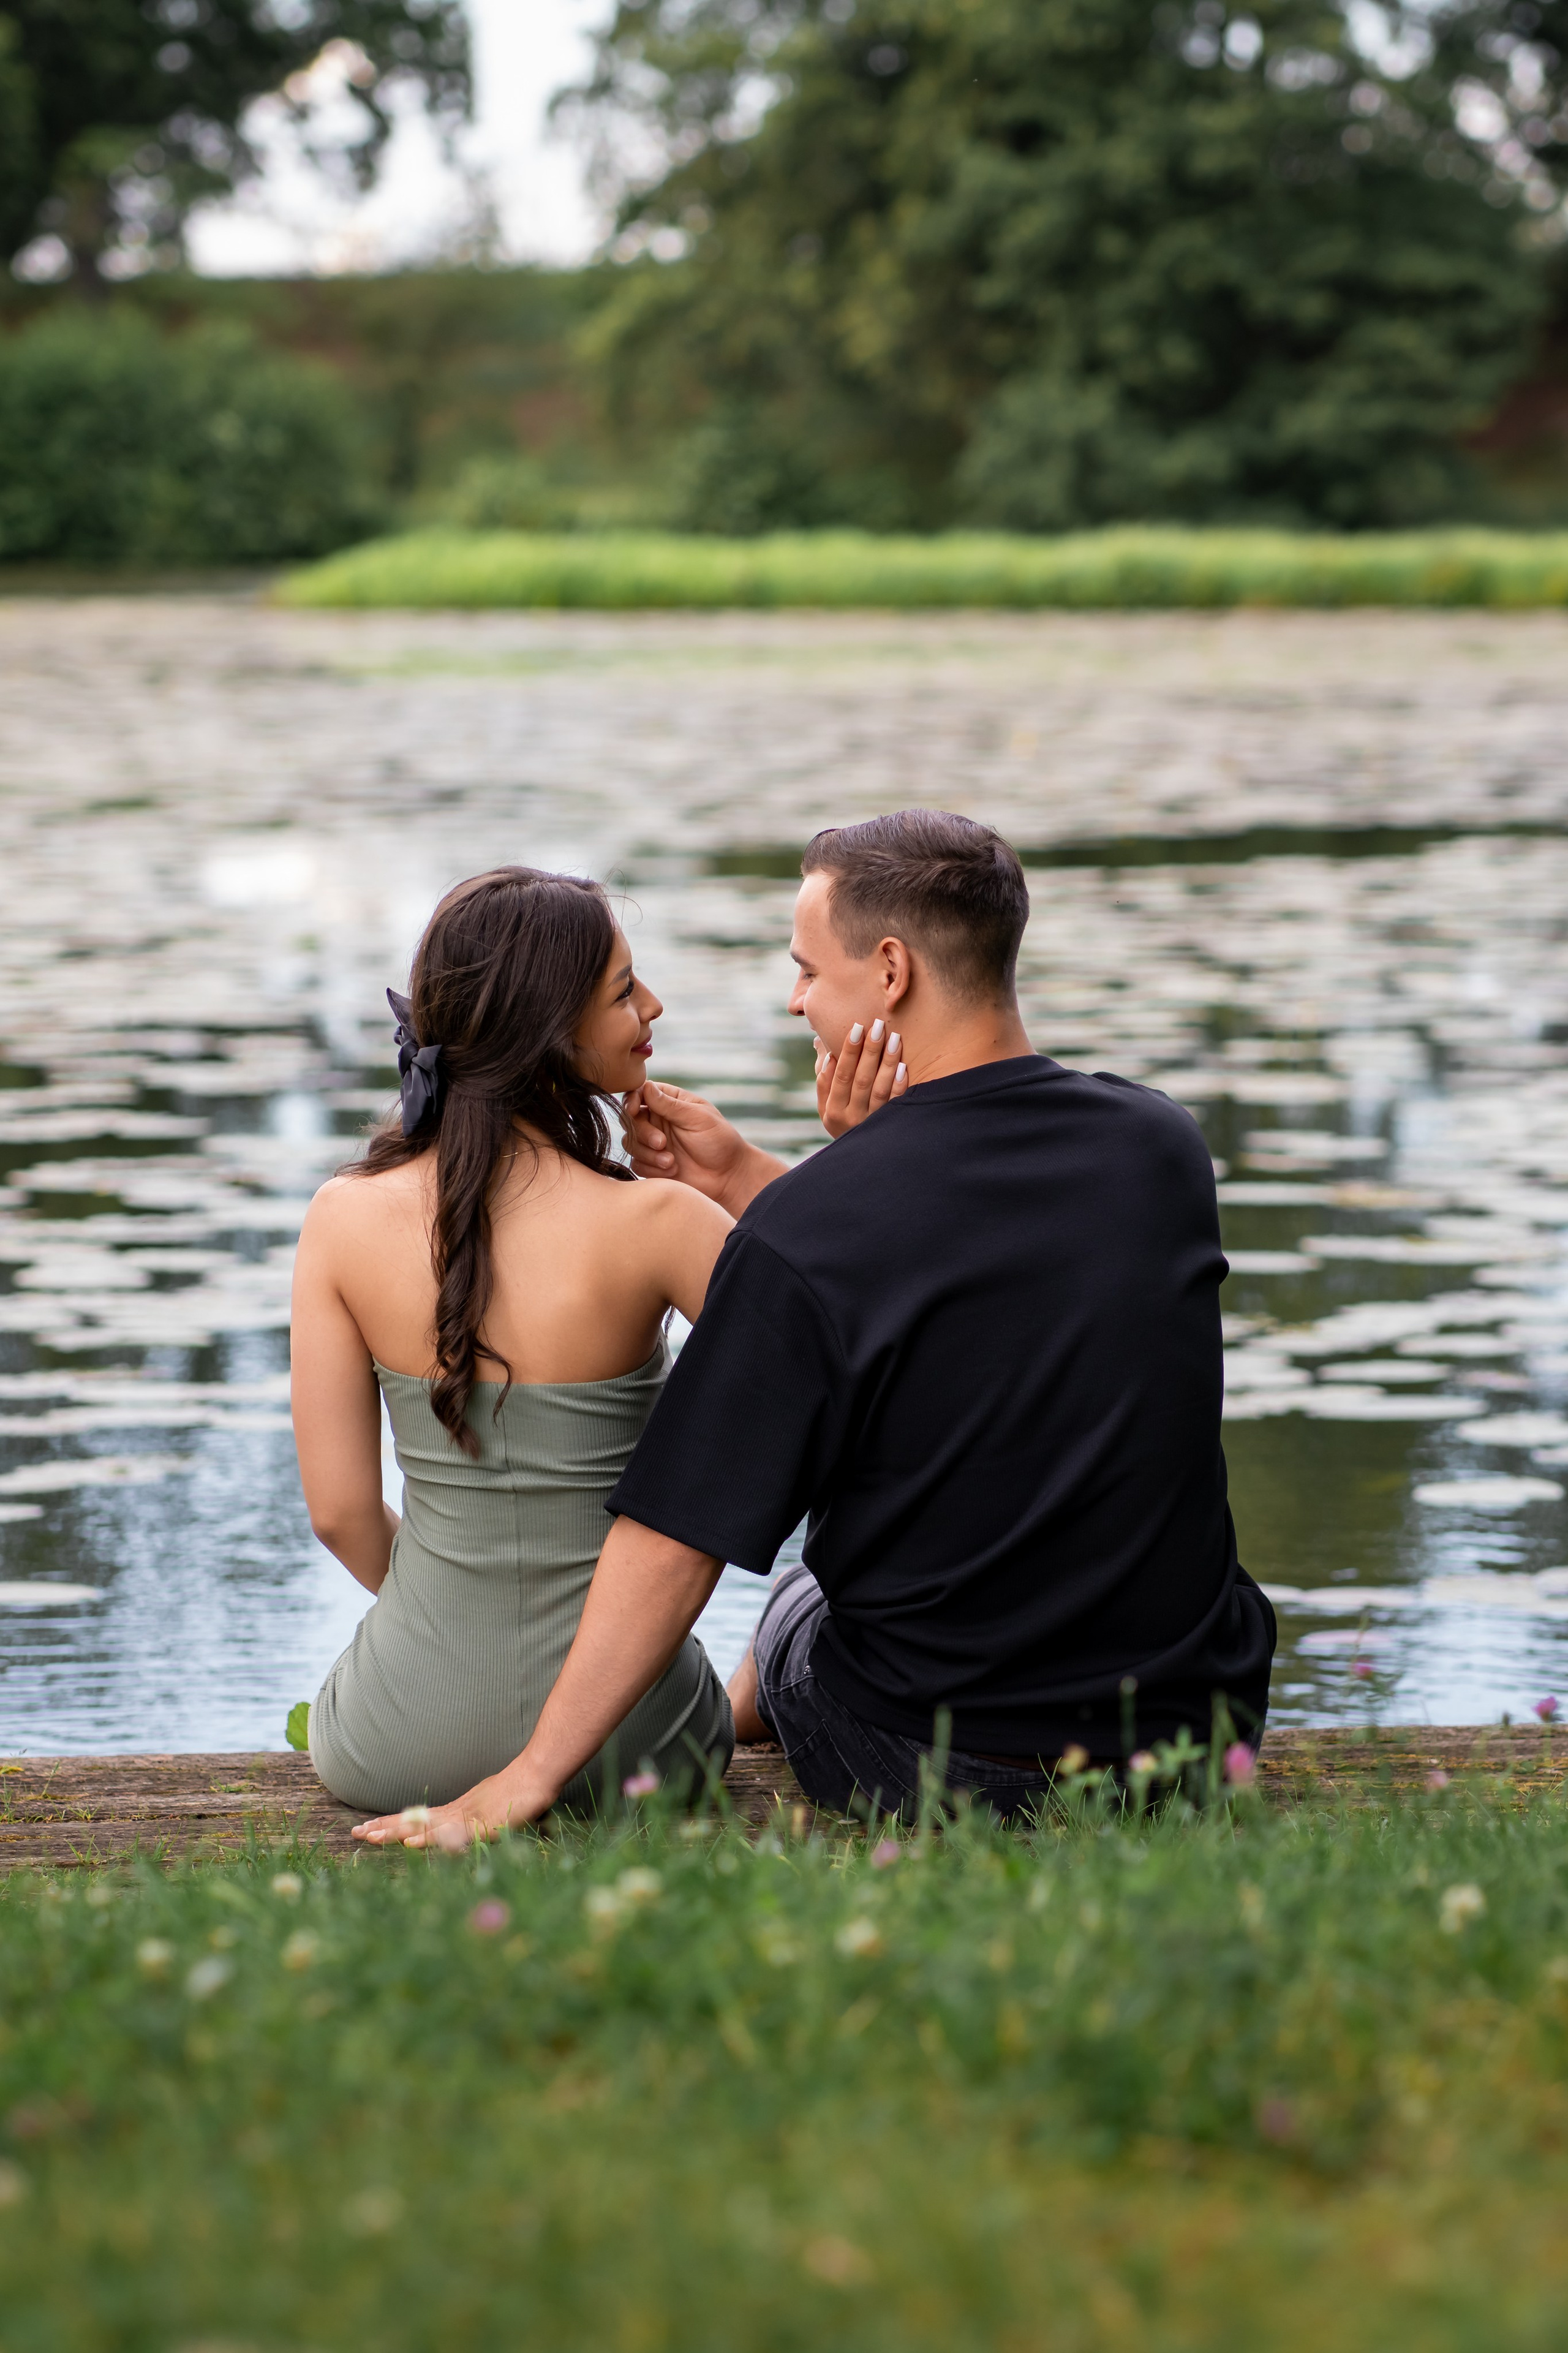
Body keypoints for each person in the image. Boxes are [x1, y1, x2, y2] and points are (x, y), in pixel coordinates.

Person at [353, 809, 1275, 1849]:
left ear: (891, 971)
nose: (796, 999)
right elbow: (971, 1285)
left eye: (806, 969)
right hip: (1199, 1733)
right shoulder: (1161, 1147)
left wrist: (522, 1778)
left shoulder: (825, 1223)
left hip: (946, 1759)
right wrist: (775, 1178)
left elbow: (674, 1540)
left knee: (801, 1600)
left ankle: (742, 1720)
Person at [292, 866, 736, 1816]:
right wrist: (738, 1183)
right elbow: (848, 1372)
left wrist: (454, 1635)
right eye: (624, 989)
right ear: (552, 1033)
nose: (652, 1005)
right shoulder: (664, 1221)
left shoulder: (338, 1218)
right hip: (637, 1743)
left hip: (398, 1737)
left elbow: (340, 1514)